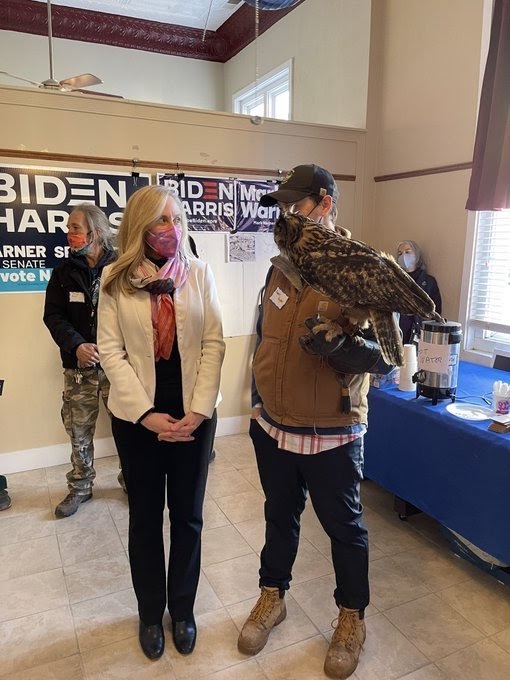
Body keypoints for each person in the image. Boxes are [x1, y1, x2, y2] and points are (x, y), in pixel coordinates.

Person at [237, 164, 392, 680]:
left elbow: (387, 358)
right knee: (279, 518)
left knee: (344, 530)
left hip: (333, 430)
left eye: (296, 205)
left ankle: (352, 618)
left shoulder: (357, 267)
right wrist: (256, 399)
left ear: (324, 203)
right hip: (276, 425)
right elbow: (265, 336)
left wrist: (348, 348)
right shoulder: (280, 267)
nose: (287, 215)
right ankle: (272, 597)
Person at [97, 185, 225, 661]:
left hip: (194, 415)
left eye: (176, 219)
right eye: (161, 221)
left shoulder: (199, 273)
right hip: (137, 419)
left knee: (188, 517)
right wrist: (148, 415)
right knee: (146, 517)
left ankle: (183, 611)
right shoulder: (114, 279)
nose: (172, 229)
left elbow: (214, 343)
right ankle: (151, 614)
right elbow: (110, 352)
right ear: (140, 228)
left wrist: (198, 410)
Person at [43, 203, 125, 519]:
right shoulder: (64, 272)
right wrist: (76, 345)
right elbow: (53, 316)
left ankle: (131, 480)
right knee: (78, 431)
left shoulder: (121, 268)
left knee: (127, 427)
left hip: (119, 366)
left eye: (75, 228)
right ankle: (80, 487)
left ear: (95, 232)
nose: (70, 234)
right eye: (69, 228)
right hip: (79, 369)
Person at [396, 240, 442, 344]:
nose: (403, 256)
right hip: (398, 331)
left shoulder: (429, 282)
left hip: (420, 333)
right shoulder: (394, 280)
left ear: (416, 255)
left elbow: (436, 311)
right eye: (400, 253)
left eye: (407, 252)